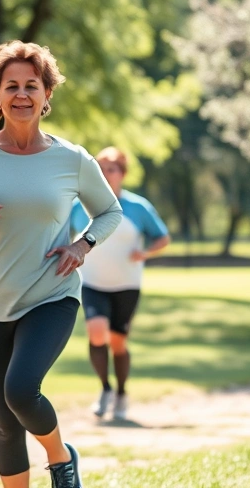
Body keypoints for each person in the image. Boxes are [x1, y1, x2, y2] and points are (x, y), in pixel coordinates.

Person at [0, 41, 122, 488]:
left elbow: (109, 211)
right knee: (6, 423)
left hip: (51, 295)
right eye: (11, 85)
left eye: (32, 85)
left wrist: (82, 245)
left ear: (46, 93)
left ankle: (60, 457)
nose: (22, 94)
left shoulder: (72, 159)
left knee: (20, 391)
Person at [70, 146, 170, 421]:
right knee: (96, 332)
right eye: (100, 168)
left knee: (118, 342)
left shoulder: (138, 207)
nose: (105, 173)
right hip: (91, 282)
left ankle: (122, 393)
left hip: (127, 285)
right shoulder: (79, 207)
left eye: (111, 169)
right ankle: (105, 389)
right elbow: (60, 234)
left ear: (122, 174)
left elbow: (162, 237)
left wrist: (145, 253)